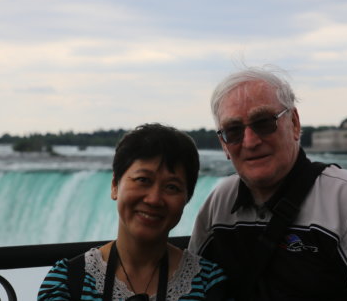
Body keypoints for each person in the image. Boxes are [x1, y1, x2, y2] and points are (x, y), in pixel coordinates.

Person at [188, 66, 347, 300]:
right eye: (233, 131)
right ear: (224, 145)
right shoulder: (218, 205)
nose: (250, 141)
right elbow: (191, 289)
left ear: (294, 123)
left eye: (263, 123)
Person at [39, 123, 232, 301]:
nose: (154, 199)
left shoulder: (208, 283)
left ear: (187, 198)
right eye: (143, 180)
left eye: (172, 187)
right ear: (115, 185)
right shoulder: (67, 281)